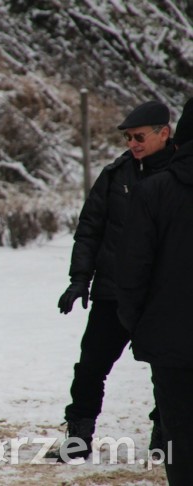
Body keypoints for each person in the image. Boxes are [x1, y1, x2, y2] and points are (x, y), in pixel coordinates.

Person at [51, 100, 176, 462]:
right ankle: (79, 436)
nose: (132, 144)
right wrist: (79, 279)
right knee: (90, 366)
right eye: (127, 138)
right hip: (113, 292)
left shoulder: (181, 174)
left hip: (161, 296)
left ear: (164, 133)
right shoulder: (115, 174)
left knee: (168, 370)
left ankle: (165, 436)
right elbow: (90, 229)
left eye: (139, 137)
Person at [116, 97, 193, 485]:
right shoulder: (135, 180)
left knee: (178, 432)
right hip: (167, 334)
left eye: (138, 136)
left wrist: (139, 324)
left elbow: (132, 271)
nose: (133, 144)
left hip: (170, 338)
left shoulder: (153, 191)